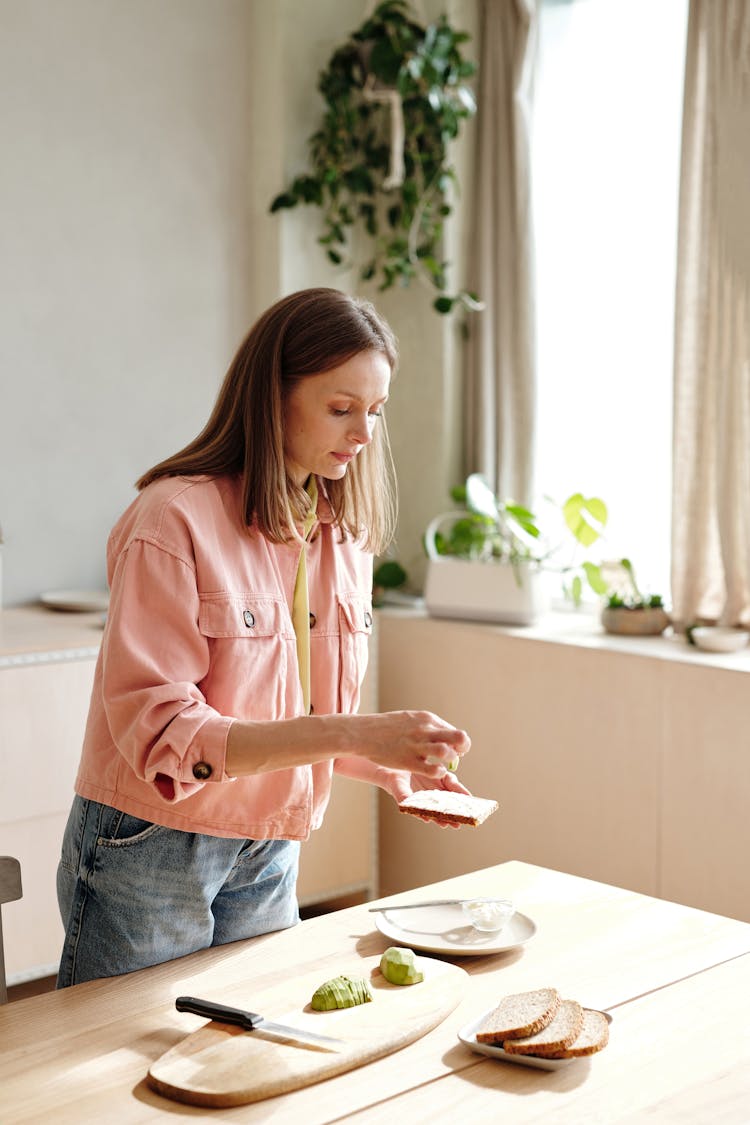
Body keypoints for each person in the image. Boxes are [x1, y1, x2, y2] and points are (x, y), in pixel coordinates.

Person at [56, 287, 471, 987]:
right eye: (341, 408)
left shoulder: (343, 534)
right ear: (271, 397)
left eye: (375, 411)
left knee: (251, 1048)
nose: (363, 433)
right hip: (153, 843)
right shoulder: (172, 520)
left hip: (270, 841)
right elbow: (163, 733)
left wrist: (387, 765)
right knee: (113, 1073)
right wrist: (356, 735)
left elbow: (286, 711)